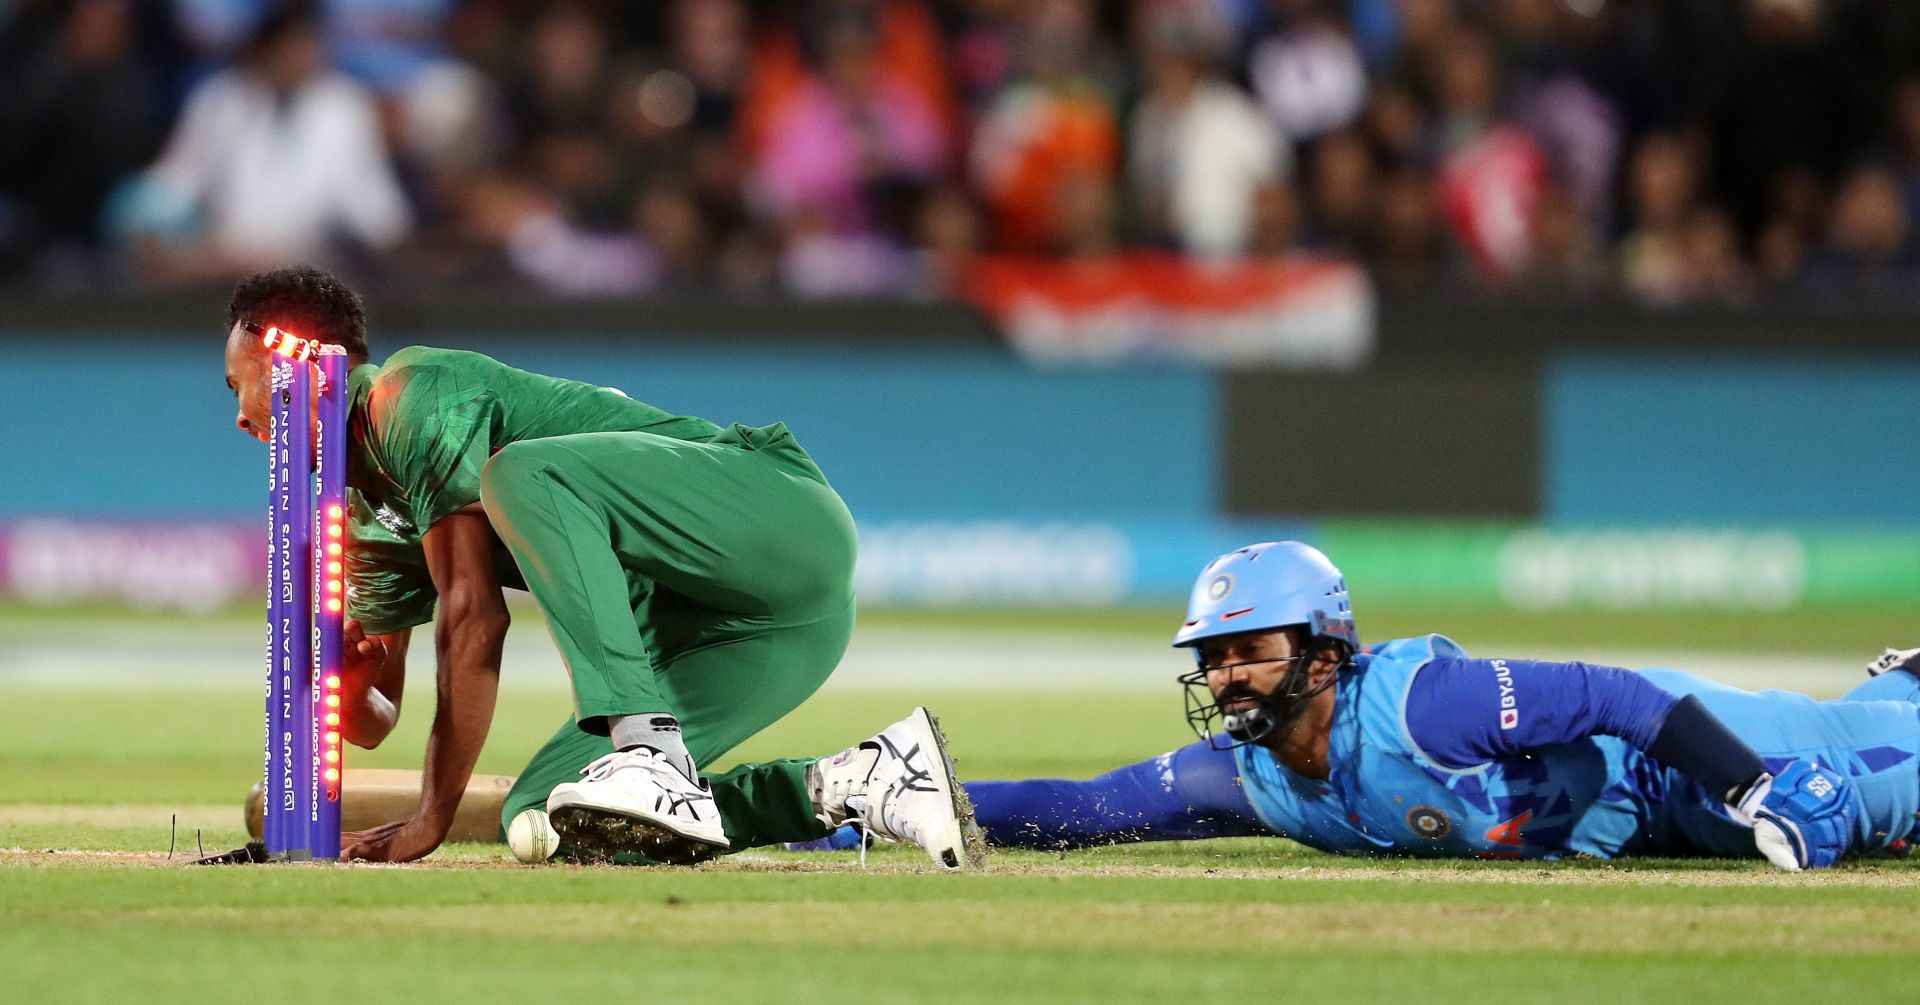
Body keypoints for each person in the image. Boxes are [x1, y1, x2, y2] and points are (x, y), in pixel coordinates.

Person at [220, 264, 981, 869]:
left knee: (521, 475)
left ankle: (647, 747)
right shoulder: (369, 523)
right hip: (759, 633)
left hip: (778, 523)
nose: (239, 417)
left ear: (292, 356)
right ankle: (856, 781)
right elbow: (373, 721)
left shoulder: (411, 395)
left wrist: (433, 817)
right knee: (545, 819)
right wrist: (345, 684)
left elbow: (474, 621)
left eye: (238, 384)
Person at [824, 542, 1913, 869]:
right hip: (1643, 833)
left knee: (1861, 792)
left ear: (1325, 648)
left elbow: (1621, 695)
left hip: (1688, 763)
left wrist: (1754, 780)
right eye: (1211, 658)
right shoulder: (1251, 782)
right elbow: (1079, 805)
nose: (1226, 677)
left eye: (1248, 651)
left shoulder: (1425, 705)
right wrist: (880, 808)